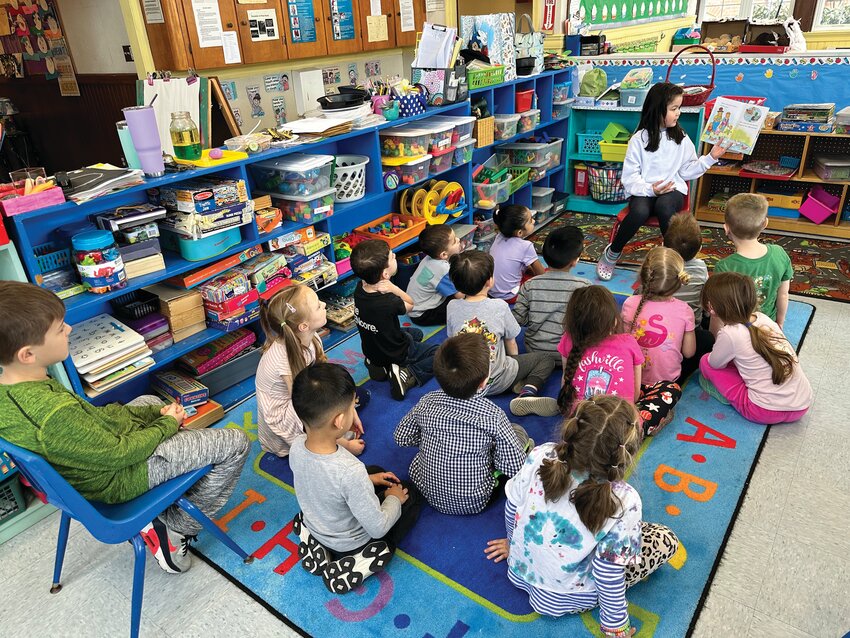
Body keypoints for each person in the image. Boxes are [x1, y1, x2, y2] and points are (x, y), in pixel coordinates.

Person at [0, 281, 250, 575]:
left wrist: (152, 413)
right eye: (59, 329)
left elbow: (93, 423)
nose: (68, 330)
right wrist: (165, 425)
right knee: (236, 442)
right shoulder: (54, 414)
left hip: (88, 470)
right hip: (118, 479)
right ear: (27, 354)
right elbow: (119, 453)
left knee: (149, 400)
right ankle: (176, 527)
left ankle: (177, 468)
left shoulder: (16, 387)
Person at [484, 395, 679, 638]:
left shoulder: (541, 455)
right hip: (569, 597)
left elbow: (512, 506)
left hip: (519, 572)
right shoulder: (625, 501)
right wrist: (616, 629)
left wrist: (513, 544)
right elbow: (608, 573)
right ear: (625, 454)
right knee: (665, 539)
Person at [289, 363, 422, 594]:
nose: (355, 410)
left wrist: (369, 479)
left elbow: (326, 483)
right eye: (354, 406)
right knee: (409, 494)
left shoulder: (296, 446)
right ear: (340, 421)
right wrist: (393, 500)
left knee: (375, 470)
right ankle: (354, 563)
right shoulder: (349, 470)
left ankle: (315, 542)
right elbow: (377, 527)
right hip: (353, 542)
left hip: (318, 522)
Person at [596, 82, 727, 281]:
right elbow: (630, 178)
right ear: (657, 110)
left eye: (679, 108)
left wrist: (710, 158)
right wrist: (651, 189)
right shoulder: (639, 139)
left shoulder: (681, 137)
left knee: (666, 207)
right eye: (674, 109)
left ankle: (671, 260)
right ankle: (613, 252)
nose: (678, 113)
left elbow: (686, 171)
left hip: (671, 190)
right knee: (639, 211)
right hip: (645, 190)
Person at [394, 333, 530, 515]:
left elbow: (401, 437)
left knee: (419, 459)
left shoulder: (427, 400)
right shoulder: (493, 415)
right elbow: (515, 468)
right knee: (518, 432)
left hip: (425, 489)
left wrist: (439, 440)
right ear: (483, 382)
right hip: (474, 501)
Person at [255, 284, 364, 458]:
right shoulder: (284, 361)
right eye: (317, 305)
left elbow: (323, 375)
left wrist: (350, 408)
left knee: (352, 394)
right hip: (286, 416)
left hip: (304, 394)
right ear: (303, 326)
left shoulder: (311, 338)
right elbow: (306, 410)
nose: (324, 304)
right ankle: (330, 437)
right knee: (337, 408)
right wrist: (345, 445)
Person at [447, 250, 558, 417]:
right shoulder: (499, 306)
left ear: (455, 284)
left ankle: (515, 383)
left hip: (465, 385)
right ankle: (528, 391)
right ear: (489, 281)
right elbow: (511, 342)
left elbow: (452, 340)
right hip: (498, 379)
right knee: (546, 359)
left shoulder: (452, 307)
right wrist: (515, 363)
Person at [557, 286, 679, 435]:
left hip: (577, 420)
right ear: (613, 319)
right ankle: (643, 429)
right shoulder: (628, 341)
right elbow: (634, 395)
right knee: (670, 388)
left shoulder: (568, 339)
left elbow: (566, 380)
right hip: (620, 426)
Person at [700, 272, 812, 424]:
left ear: (711, 308)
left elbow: (714, 364)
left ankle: (726, 397)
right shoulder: (763, 318)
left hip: (763, 411)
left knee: (705, 362)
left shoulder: (729, 333)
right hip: (801, 405)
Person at [350, 239, 438, 400]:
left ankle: (377, 365)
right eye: (392, 257)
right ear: (385, 274)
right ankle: (408, 374)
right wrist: (395, 288)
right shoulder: (389, 300)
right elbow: (411, 305)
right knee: (439, 354)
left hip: (372, 348)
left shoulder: (359, 288)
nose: (395, 255)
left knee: (416, 334)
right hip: (396, 351)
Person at [714, 193, 792, 329]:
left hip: (736, 328)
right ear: (765, 223)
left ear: (726, 228)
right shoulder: (779, 254)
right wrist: (779, 323)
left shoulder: (724, 266)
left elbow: (720, 312)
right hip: (767, 324)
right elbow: (783, 295)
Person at [622, 246, 695, 391]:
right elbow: (689, 352)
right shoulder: (685, 310)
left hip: (631, 377)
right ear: (678, 282)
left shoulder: (629, 303)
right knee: (705, 339)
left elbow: (620, 338)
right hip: (665, 384)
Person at [512, 225, 589, 362]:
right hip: (569, 355)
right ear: (575, 261)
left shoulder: (530, 285)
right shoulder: (584, 287)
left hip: (535, 352)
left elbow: (518, 320)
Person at [663, 213, 713, 382]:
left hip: (657, 334)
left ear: (664, 245)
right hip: (688, 338)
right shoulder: (700, 268)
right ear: (699, 248)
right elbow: (706, 302)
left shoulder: (658, 265)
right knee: (708, 337)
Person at [405, 225, 463, 326]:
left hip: (413, 308)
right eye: (454, 241)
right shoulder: (442, 270)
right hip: (423, 315)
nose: (458, 239)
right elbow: (460, 296)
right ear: (444, 255)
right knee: (463, 305)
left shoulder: (428, 258)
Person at [489, 204, 545, 301]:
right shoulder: (526, 246)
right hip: (510, 296)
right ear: (519, 232)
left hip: (490, 291)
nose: (534, 221)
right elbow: (541, 274)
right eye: (530, 220)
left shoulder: (498, 236)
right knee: (547, 274)